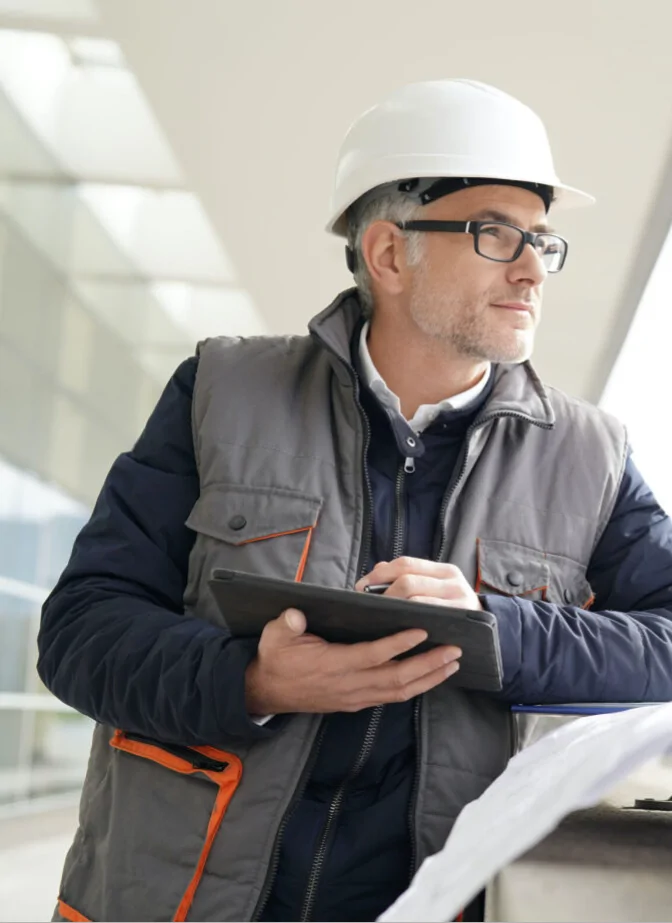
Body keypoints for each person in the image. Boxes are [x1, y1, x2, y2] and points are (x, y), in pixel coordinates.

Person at [39, 79, 672, 923]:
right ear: (387, 253)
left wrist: (496, 626)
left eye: (543, 242)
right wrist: (252, 680)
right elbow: (81, 629)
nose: (531, 269)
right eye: (497, 235)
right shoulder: (220, 393)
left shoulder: (590, 455)